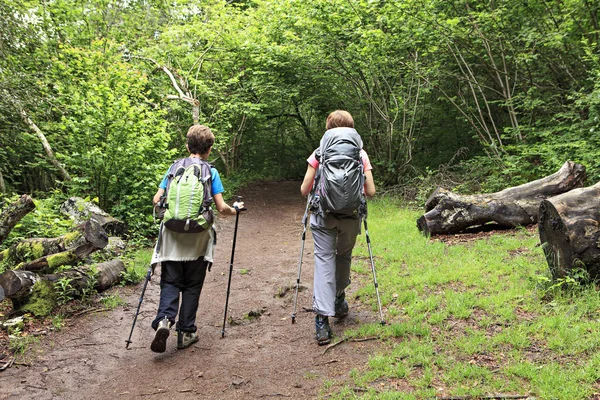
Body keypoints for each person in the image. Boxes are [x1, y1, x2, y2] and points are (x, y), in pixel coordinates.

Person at [150, 124, 244, 353]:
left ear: (187, 146)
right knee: (192, 285)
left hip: (171, 236)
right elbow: (221, 208)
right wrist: (237, 210)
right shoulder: (210, 171)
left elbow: (156, 200)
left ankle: (164, 320)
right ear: (209, 149)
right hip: (198, 238)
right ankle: (186, 332)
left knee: (170, 281)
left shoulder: (174, 168)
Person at [300, 110, 376, 345]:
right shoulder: (359, 153)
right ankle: (339, 299)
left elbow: (304, 189)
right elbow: (371, 191)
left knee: (324, 259)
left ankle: (322, 321)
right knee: (343, 256)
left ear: (328, 128)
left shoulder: (319, 152)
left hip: (323, 216)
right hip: (351, 216)